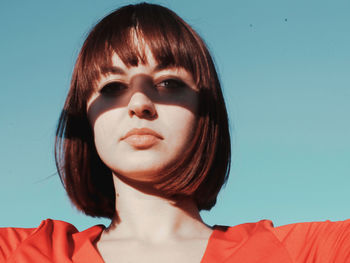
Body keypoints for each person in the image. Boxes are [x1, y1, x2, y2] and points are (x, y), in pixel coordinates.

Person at [0, 3, 349, 263]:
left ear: (204, 113)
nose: (139, 102)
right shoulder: (22, 253)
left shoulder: (307, 252)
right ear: (85, 121)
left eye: (168, 82)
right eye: (111, 87)